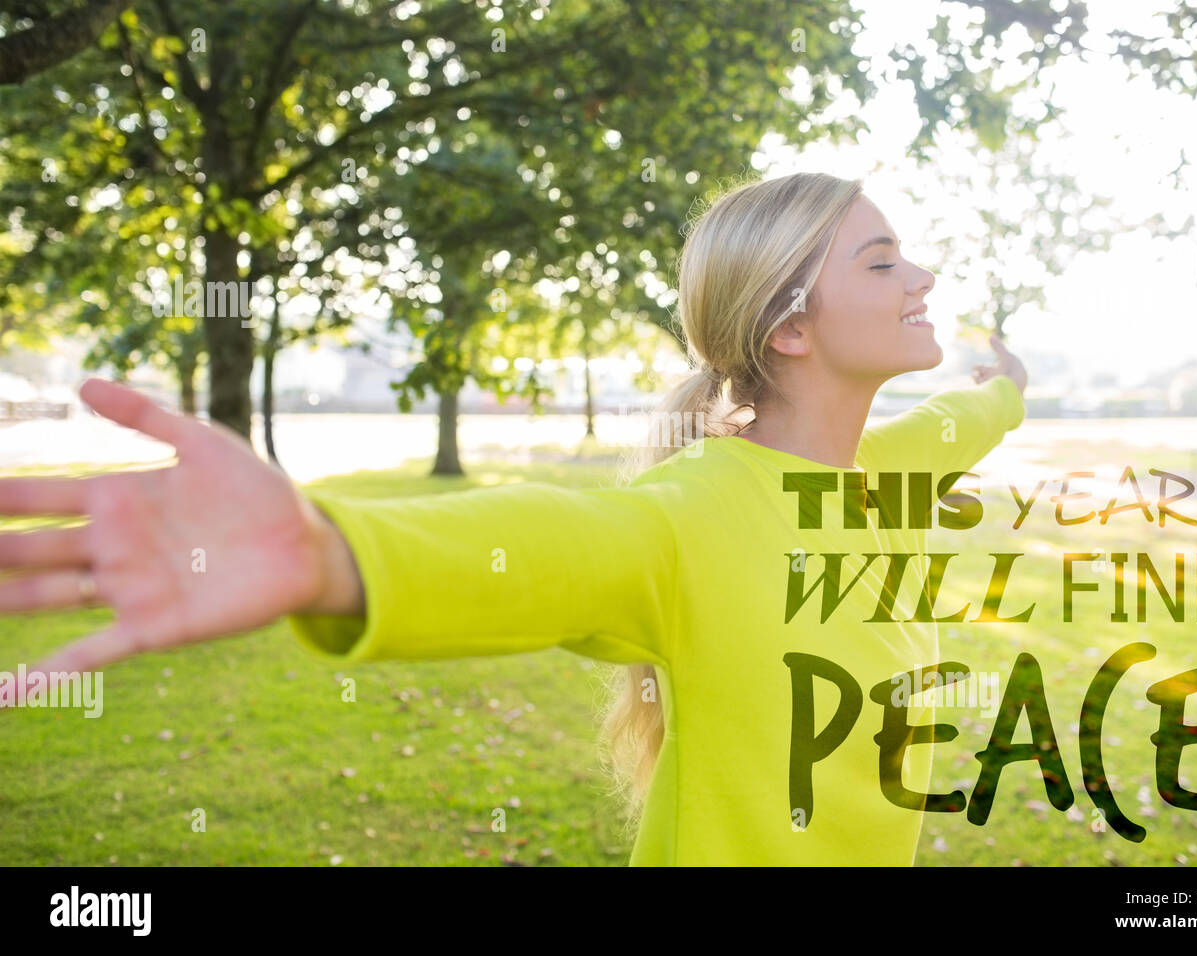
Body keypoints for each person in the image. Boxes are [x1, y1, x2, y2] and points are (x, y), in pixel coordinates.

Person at [0, 171, 1027, 865]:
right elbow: (545, 545)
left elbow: (965, 416)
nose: (922, 275)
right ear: (791, 325)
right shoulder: (689, 520)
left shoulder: (885, 472)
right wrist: (329, 551)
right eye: (881, 260)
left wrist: (1005, 385)